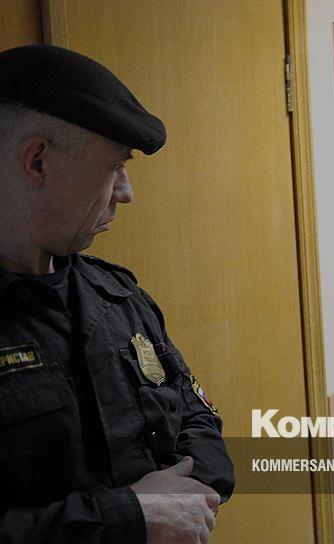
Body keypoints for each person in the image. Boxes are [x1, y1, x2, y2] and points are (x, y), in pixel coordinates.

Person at [0, 45, 234, 543]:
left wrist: (186, 495)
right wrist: (128, 517)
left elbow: (195, 412)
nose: (126, 192)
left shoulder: (115, 296)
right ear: (38, 161)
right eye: (114, 168)